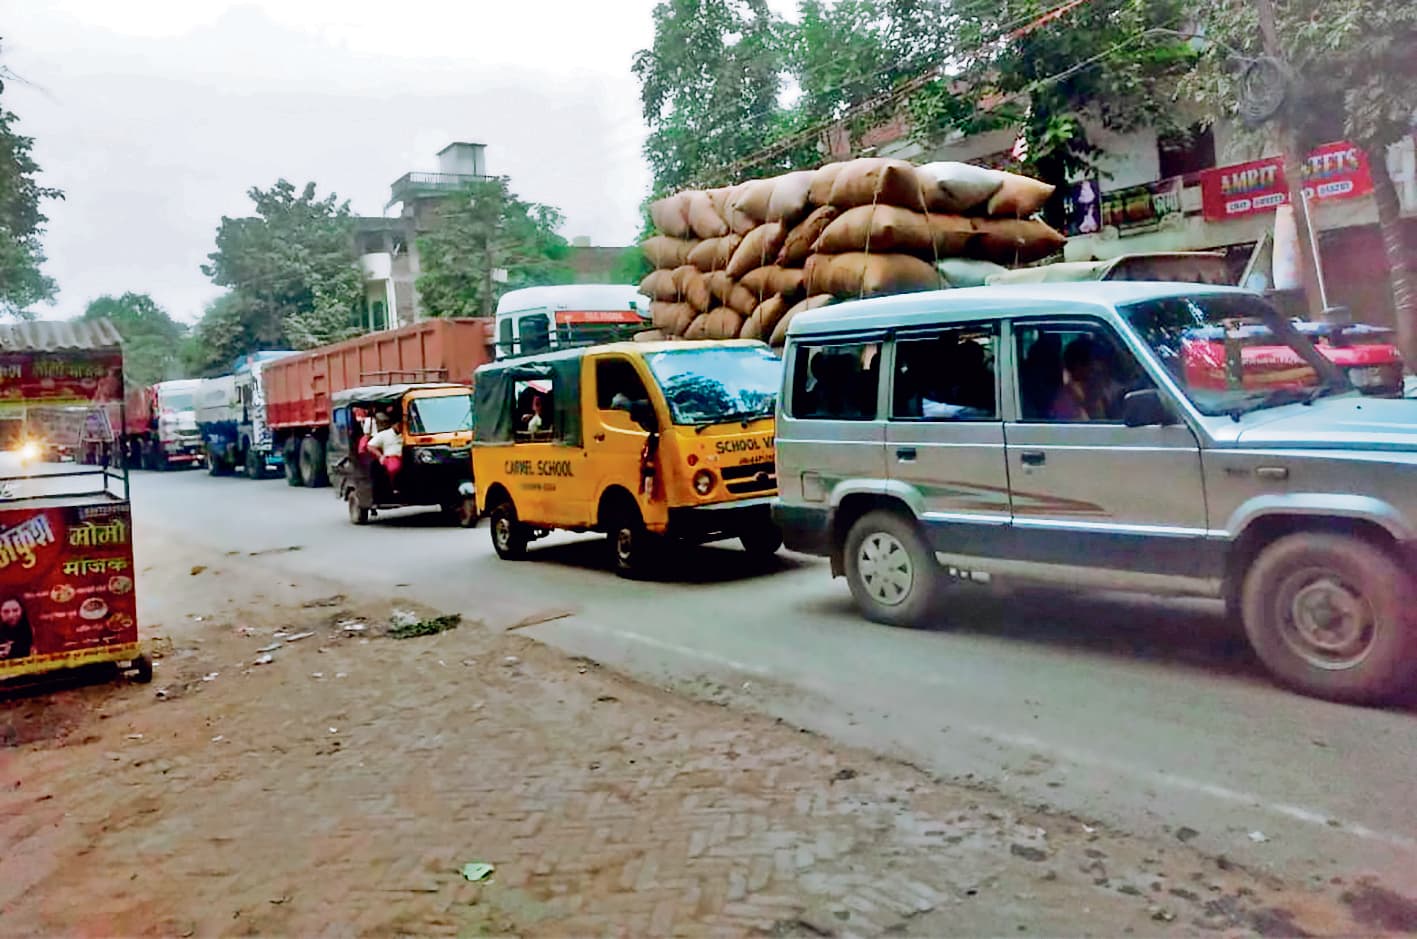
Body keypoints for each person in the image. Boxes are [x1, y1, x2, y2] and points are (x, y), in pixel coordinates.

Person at [366, 409, 404, 478]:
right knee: (394, 468)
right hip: (392, 459)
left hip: (406, 458)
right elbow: (370, 446)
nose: (400, 426)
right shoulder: (384, 434)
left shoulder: (407, 434)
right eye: (398, 424)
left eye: (402, 424)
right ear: (393, 424)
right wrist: (380, 456)